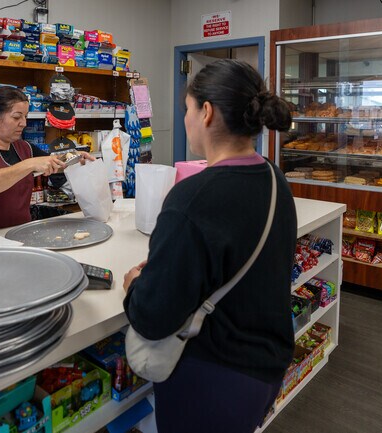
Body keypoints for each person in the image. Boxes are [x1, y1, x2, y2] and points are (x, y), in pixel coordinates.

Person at [123, 59, 297, 433]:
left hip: (211, 378)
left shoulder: (192, 198)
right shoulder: (273, 177)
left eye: (187, 108)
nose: (184, 118)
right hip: (264, 369)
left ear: (206, 112)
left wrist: (135, 286)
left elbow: (154, 317)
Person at [0, 86, 91, 230]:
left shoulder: (24, 147)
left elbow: (53, 162)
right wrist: (29, 164)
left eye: (25, 116)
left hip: (20, 234)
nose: (23, 123)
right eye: (17, 117)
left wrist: (75, 157)